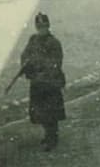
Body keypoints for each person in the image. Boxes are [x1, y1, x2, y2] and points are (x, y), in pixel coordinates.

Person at [20, 13, 66, 152]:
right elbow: (25, 55)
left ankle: (52, 138)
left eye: (44, 26)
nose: (42, 29)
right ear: (36, 27)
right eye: (39, 26)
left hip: (50, 83)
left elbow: (56, 63)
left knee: (51, 113)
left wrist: (41, 70)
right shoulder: (33, 40)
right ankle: (48, 134)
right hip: (37, 83)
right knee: (40, 112)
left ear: (48, 26)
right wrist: (27, 66)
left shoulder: (54, 43)